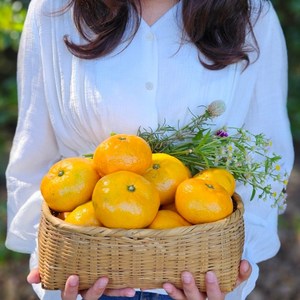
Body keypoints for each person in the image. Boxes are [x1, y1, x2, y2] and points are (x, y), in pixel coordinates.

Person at [5, 0, 294, 299]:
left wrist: (232, 275)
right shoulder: (56, 9)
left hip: (197, 280)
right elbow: (33, 153)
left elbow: (264, 151)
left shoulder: (250, 12)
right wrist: (53, 274)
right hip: (85, 277)